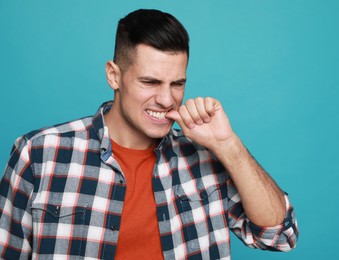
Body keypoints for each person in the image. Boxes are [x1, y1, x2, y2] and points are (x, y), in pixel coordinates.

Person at [0, 9, 298, 259]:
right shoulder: (40, 154)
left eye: (177, 84)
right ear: (113, 75)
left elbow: (279, 236)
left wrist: (227, 144)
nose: (167, 100)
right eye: (150, 82)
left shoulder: (205, 158)